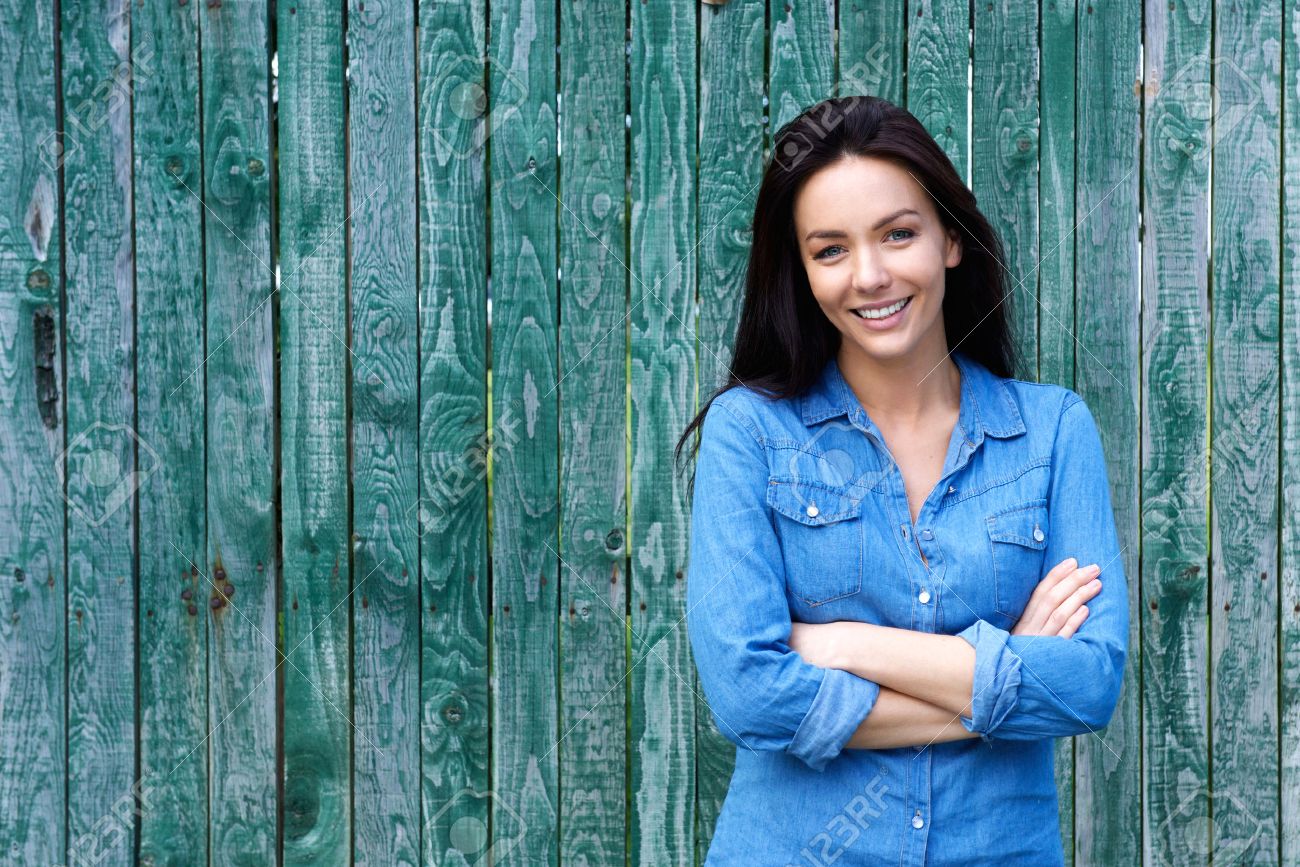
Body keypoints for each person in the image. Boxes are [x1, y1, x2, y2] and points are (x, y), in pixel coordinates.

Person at [674, 95, 1129, 866]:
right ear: (803, 269)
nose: (871, 276)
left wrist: (846, 643)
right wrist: (1001, 674)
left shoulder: (1053, 433)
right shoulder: (748, 433)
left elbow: (1087, 683)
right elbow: (748, 693)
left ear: (950, 238)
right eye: (830, 250)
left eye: (898, 233)